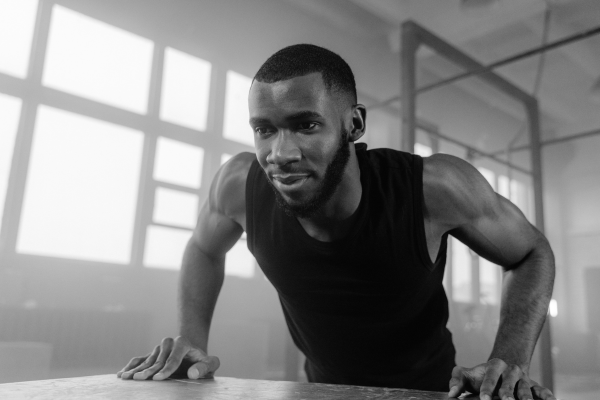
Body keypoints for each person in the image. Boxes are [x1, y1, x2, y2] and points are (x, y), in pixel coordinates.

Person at [117, 44, 556, 400]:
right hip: (322, 389)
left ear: (355, 124)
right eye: (264, 130)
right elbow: (203, 248)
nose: (281, 154)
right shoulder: (238, 186)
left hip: (430, 390)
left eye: (305, 125)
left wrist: (509, 360)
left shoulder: (432, 187)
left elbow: (532, 252)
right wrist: (192, 337)